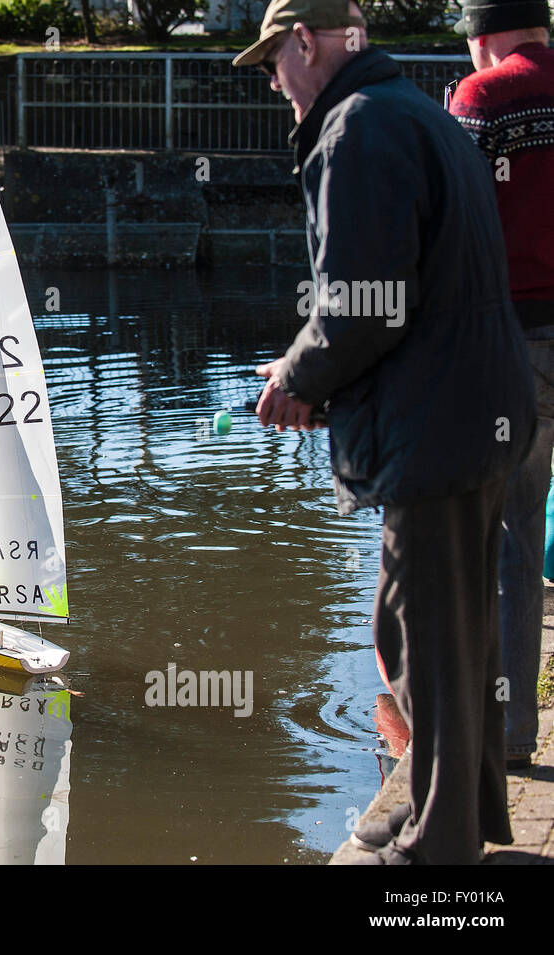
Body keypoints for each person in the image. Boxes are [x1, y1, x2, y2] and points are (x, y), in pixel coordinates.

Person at [235, 0, 536, 863]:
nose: (273, 84)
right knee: (453, 626)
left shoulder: (356, 128)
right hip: (477, 407)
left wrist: (299, 376)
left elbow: (366, 299)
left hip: (436, 425)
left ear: (304, 43)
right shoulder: (418, 112)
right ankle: (460, 811)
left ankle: (440, 850)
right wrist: (311, 370)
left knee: (424, 637)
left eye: (271, 64)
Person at [448, 0, 554, 773]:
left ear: (482, 41)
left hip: (510, 339)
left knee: (505, 532)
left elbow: (450, 216)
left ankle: (508, 734)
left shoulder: (484, 97)